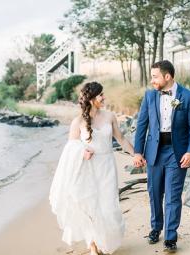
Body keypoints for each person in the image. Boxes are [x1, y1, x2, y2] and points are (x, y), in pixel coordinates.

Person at [49, 81, 135, 255]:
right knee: (91, 206)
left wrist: (136, 155)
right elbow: (70, 148)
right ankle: (93, 245)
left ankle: (103, 240)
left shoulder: (110, 116)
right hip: (87, 169)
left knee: (108, 206)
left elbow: (121, 139)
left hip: (107, 167)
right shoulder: (78, 121)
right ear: (91, 98)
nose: (104, 97)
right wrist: (82, 151)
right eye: (100, 95)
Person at [133, 60, 190, 253]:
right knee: (154, 193)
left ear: (167, 76)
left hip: (177, 152)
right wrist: (138, 151)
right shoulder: (149, 96)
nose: (152, 80)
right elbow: (141, 126)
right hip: (153, 152)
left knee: (172, 196)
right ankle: (156, 227)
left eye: (155, 76)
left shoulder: (189, 97)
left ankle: (170, 238)